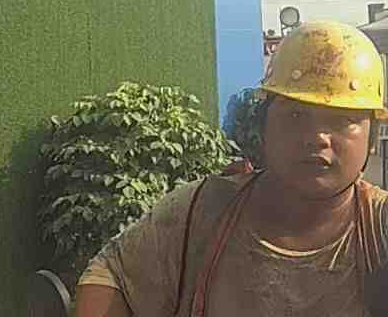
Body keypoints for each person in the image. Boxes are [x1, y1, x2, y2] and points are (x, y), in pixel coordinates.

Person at [75, 21, 388, 316]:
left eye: (342, 120)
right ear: (263, 125)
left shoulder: (380, 229)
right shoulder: (202, 212)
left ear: (372, 138)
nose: (316, 137)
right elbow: (110, 277)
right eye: (295, 116)